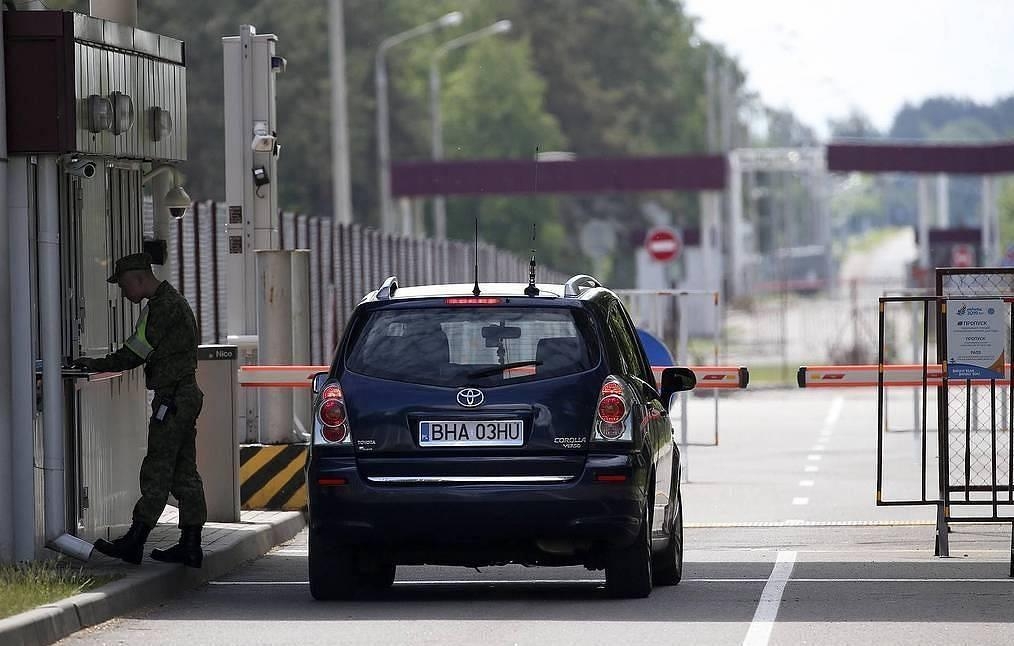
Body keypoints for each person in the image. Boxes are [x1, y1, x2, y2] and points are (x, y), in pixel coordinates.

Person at [72, 252, 207, 568]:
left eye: (122, 285)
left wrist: (97, 364)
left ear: (138, 278)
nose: (122, 292)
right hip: (182, 396)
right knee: (183, 471)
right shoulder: (170, 302)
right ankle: (190, 544)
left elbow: (135, 352)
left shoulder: (162, 307)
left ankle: (135, 540)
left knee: (157, 467)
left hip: (173, 398)